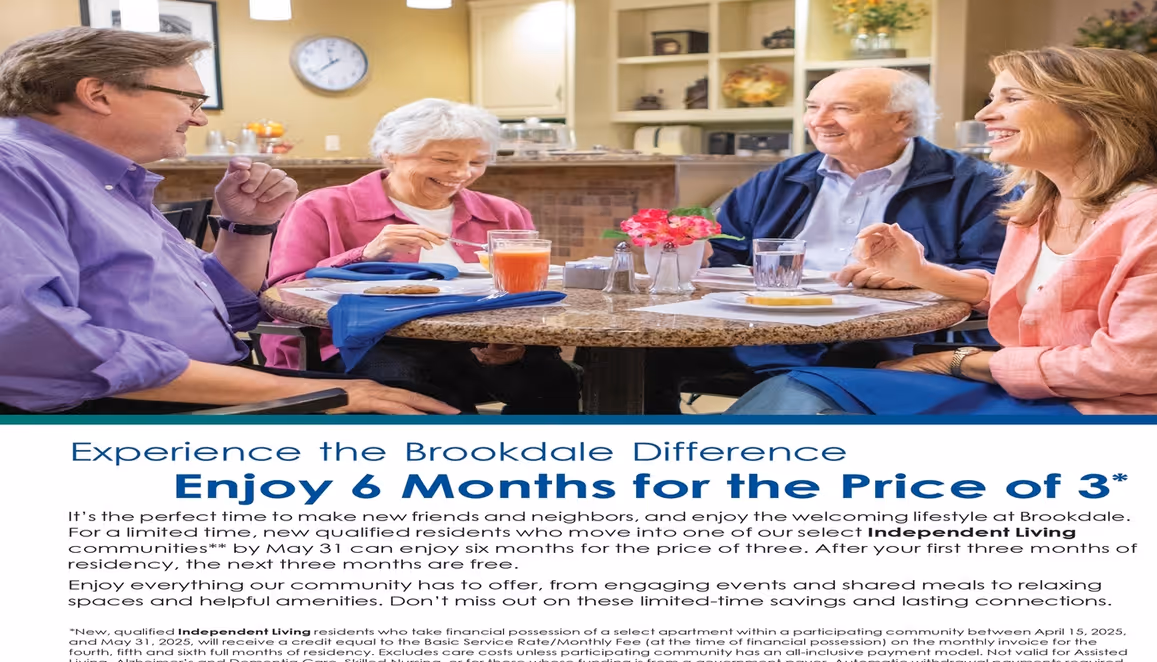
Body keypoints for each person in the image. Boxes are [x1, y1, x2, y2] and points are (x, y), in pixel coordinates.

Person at [0, 27, 455, 415]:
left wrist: (250, 226)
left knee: (426, 390)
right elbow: (32, 345)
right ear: (97, 94)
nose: (198, 118)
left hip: (201, 382)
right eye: (190, 99)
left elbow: (230, 309)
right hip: (119, 405)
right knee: (421, 411)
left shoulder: (103, 179)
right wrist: (310, 390)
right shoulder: (14, 169)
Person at [729, 47, 1157, 416]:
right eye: (992, 98)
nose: (984, 115)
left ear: (1097, 114)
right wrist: (923, 272)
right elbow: (1050, 300)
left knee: (802, 397)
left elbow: (1135, 368)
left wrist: (959, 362)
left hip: (1113, 412)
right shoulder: (1041, 206)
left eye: (1012, 98)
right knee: (797, 392)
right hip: (1035, 391)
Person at [645, 68, 1016, 412]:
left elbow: (1000, 276)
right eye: (812, 107)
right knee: (638, 356)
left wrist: (920, 274)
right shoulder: (779, 178)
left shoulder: (976, 184)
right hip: (763, 330)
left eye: (842, 109)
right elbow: (726, 251)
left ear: (901, 119)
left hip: (891, 336)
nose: (819, 121)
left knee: (813, 385)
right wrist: (697, 252)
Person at [262, 99, 579, 414]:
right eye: (444, 159)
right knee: (410, 391)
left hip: (480, 343)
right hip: (364, 343)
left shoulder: (503, 214)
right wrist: (365, 254)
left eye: (477, 162)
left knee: (555, 382)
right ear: (391, 155)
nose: (462, 173)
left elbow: (528, 291)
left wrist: (513, 340)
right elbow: (284, 292)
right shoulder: (323, 207)